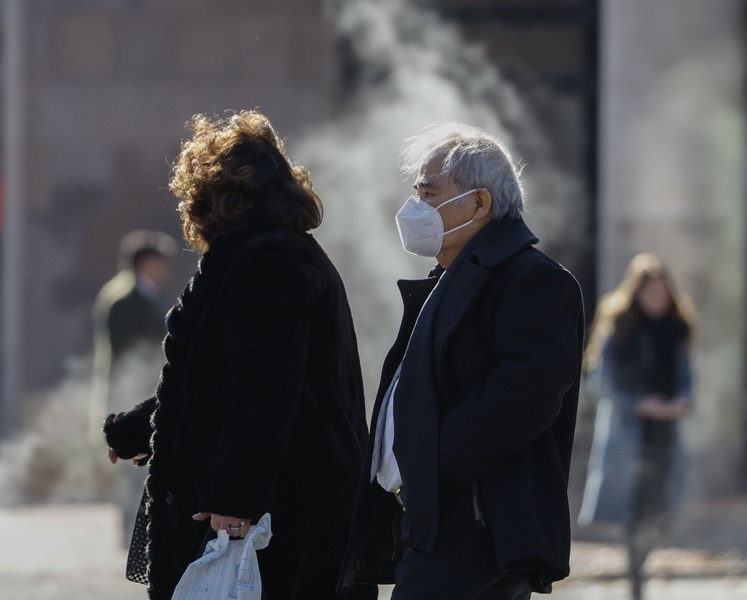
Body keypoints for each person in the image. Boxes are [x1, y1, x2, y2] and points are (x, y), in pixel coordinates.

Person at [102, 110, 374, 600]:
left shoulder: (266, 261)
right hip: (286, 497)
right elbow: (212, 378)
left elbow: (263, 390)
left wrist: (236, 498)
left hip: (277, 510)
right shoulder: (269, 253)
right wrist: (137, 430)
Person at [339, 123, 585, 600]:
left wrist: (431, 463)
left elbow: (523, 397)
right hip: (436, 518)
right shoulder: (449, 276)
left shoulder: (531, 280)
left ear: (479, 203)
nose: (415, 207)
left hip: (478, 523)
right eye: (416, 192)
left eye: (430, 193)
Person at [576, 253, 694, 600]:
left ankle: (640, 567)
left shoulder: (677, 329)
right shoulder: (620, 327)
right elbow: (602, 383)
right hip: (629, 434)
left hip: (664, 434)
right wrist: (640, 404)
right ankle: (637, 582)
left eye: (662, 291)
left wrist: (678, 403)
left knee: (659, 511)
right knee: (634, 511)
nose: (657, 298)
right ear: (637, 292)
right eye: (650, 292)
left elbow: (687, 379)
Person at [90, 229, 176, 546]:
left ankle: (135, 530)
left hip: (142, 391)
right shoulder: (125, 299)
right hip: (134, 393)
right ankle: (132, 532)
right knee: (133, 470)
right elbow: (131, 352)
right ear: (146, 263)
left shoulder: (141, 295)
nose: (165, 269)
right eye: (160, 262)